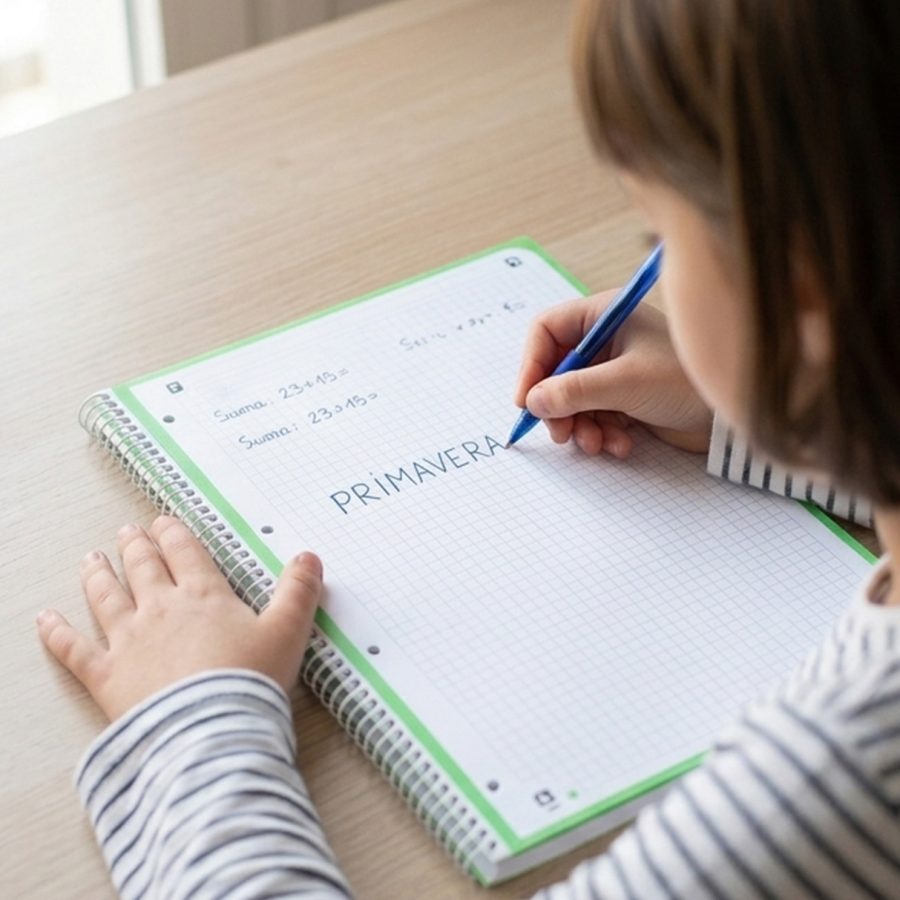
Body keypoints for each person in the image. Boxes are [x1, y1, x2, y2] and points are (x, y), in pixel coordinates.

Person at [37, 0, 900, 896]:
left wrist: (196, 728)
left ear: (800, 287)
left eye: (659, 241)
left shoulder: (835, 781)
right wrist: (772, 403)